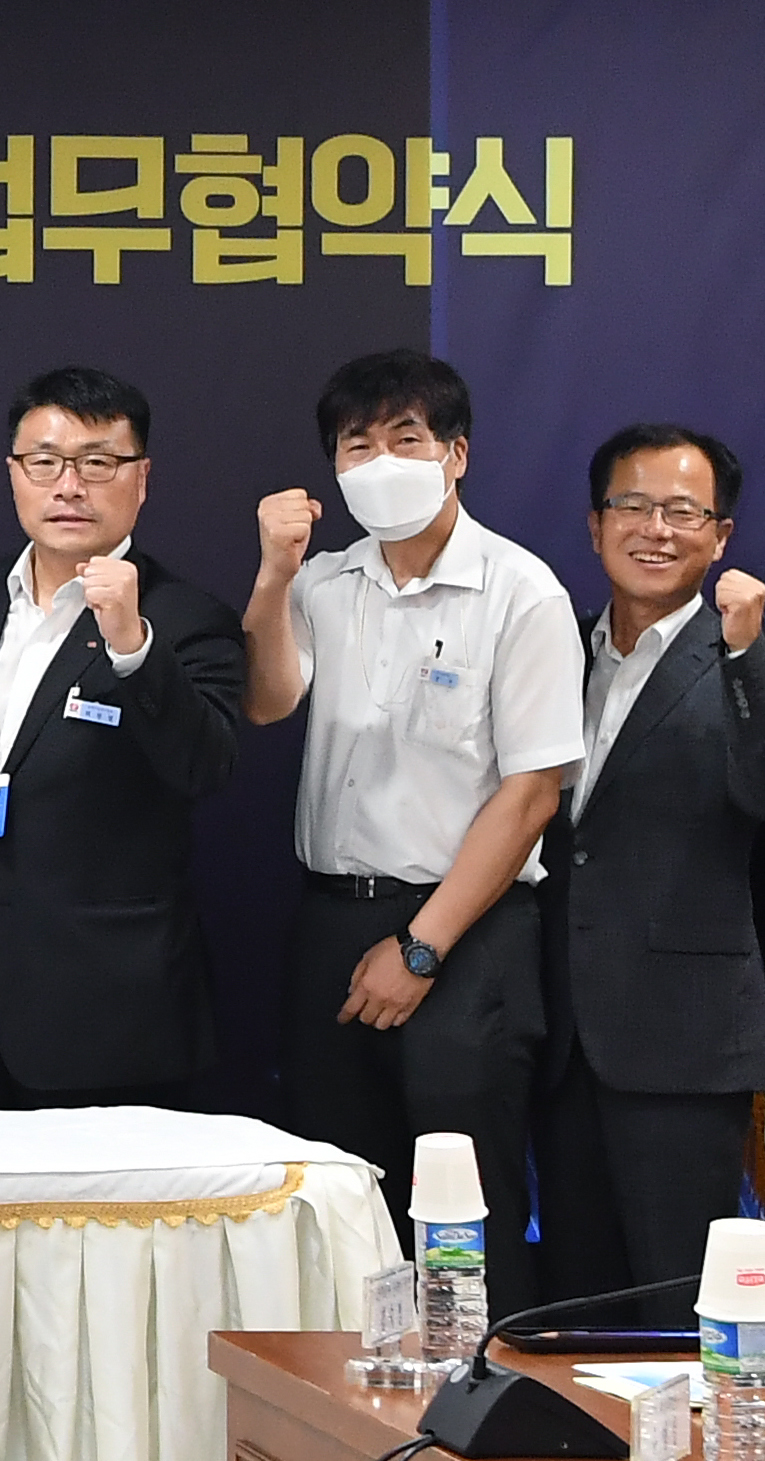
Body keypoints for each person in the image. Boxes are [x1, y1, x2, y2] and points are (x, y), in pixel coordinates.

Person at [244, 350, 579, 1312]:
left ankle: (482, 1387)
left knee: (461, 1200)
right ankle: (356, 1392)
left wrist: (422, 947)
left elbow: (531, 793)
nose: (381, 461)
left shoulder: (520, 590)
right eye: (358, 445)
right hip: (330, 921)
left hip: (464, 931)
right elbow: (267, 701)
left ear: (455, 454)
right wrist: (273, 575)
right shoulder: (323, 582)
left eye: (406, 438)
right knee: (341, 1196)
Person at [0, 367, 246, 1108]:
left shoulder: (188, 618)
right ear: (13, 473)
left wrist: (133, 646)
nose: (69, 486)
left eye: (97, 463)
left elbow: (204, 767)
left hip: (107, 1005)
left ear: (141, 478)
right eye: (45, 462)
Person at [535, 426, 764, 1322]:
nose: (654, 529)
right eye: (631, 505)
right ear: (595, 524)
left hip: (682, 1041)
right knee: (572, 1311)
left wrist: (747, 656)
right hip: (559, 1034)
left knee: (678, 1311)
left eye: (681, 511)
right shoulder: (556, 646)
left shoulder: (741, 652)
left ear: (720, 534)